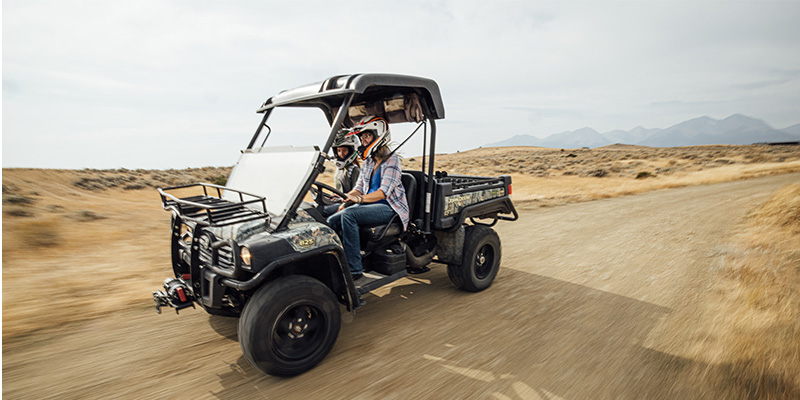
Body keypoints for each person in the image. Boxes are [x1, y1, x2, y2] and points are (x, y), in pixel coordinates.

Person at [327, 116, 409, 280]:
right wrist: (344, 197)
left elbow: (383, 193)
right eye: (362, 136)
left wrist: (357, 201)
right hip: (368, 205)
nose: (363, 140)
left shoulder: (391, 160)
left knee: (348, 215)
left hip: (388, 207)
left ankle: (354, 269)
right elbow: (358, 188)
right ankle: (333, 263)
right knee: (330, 217)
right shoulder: (369, 162)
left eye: (367, 136)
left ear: (378, 135)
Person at [322, 130, 361, 216]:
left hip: (349, 204)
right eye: (339, 151)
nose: (341, 154)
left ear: (351, 151)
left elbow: (357, 193)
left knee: (322, 210)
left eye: (344, 150)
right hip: (338, 201)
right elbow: (339, 190)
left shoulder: (355, 170)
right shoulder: (340, 169)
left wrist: (343, 200)